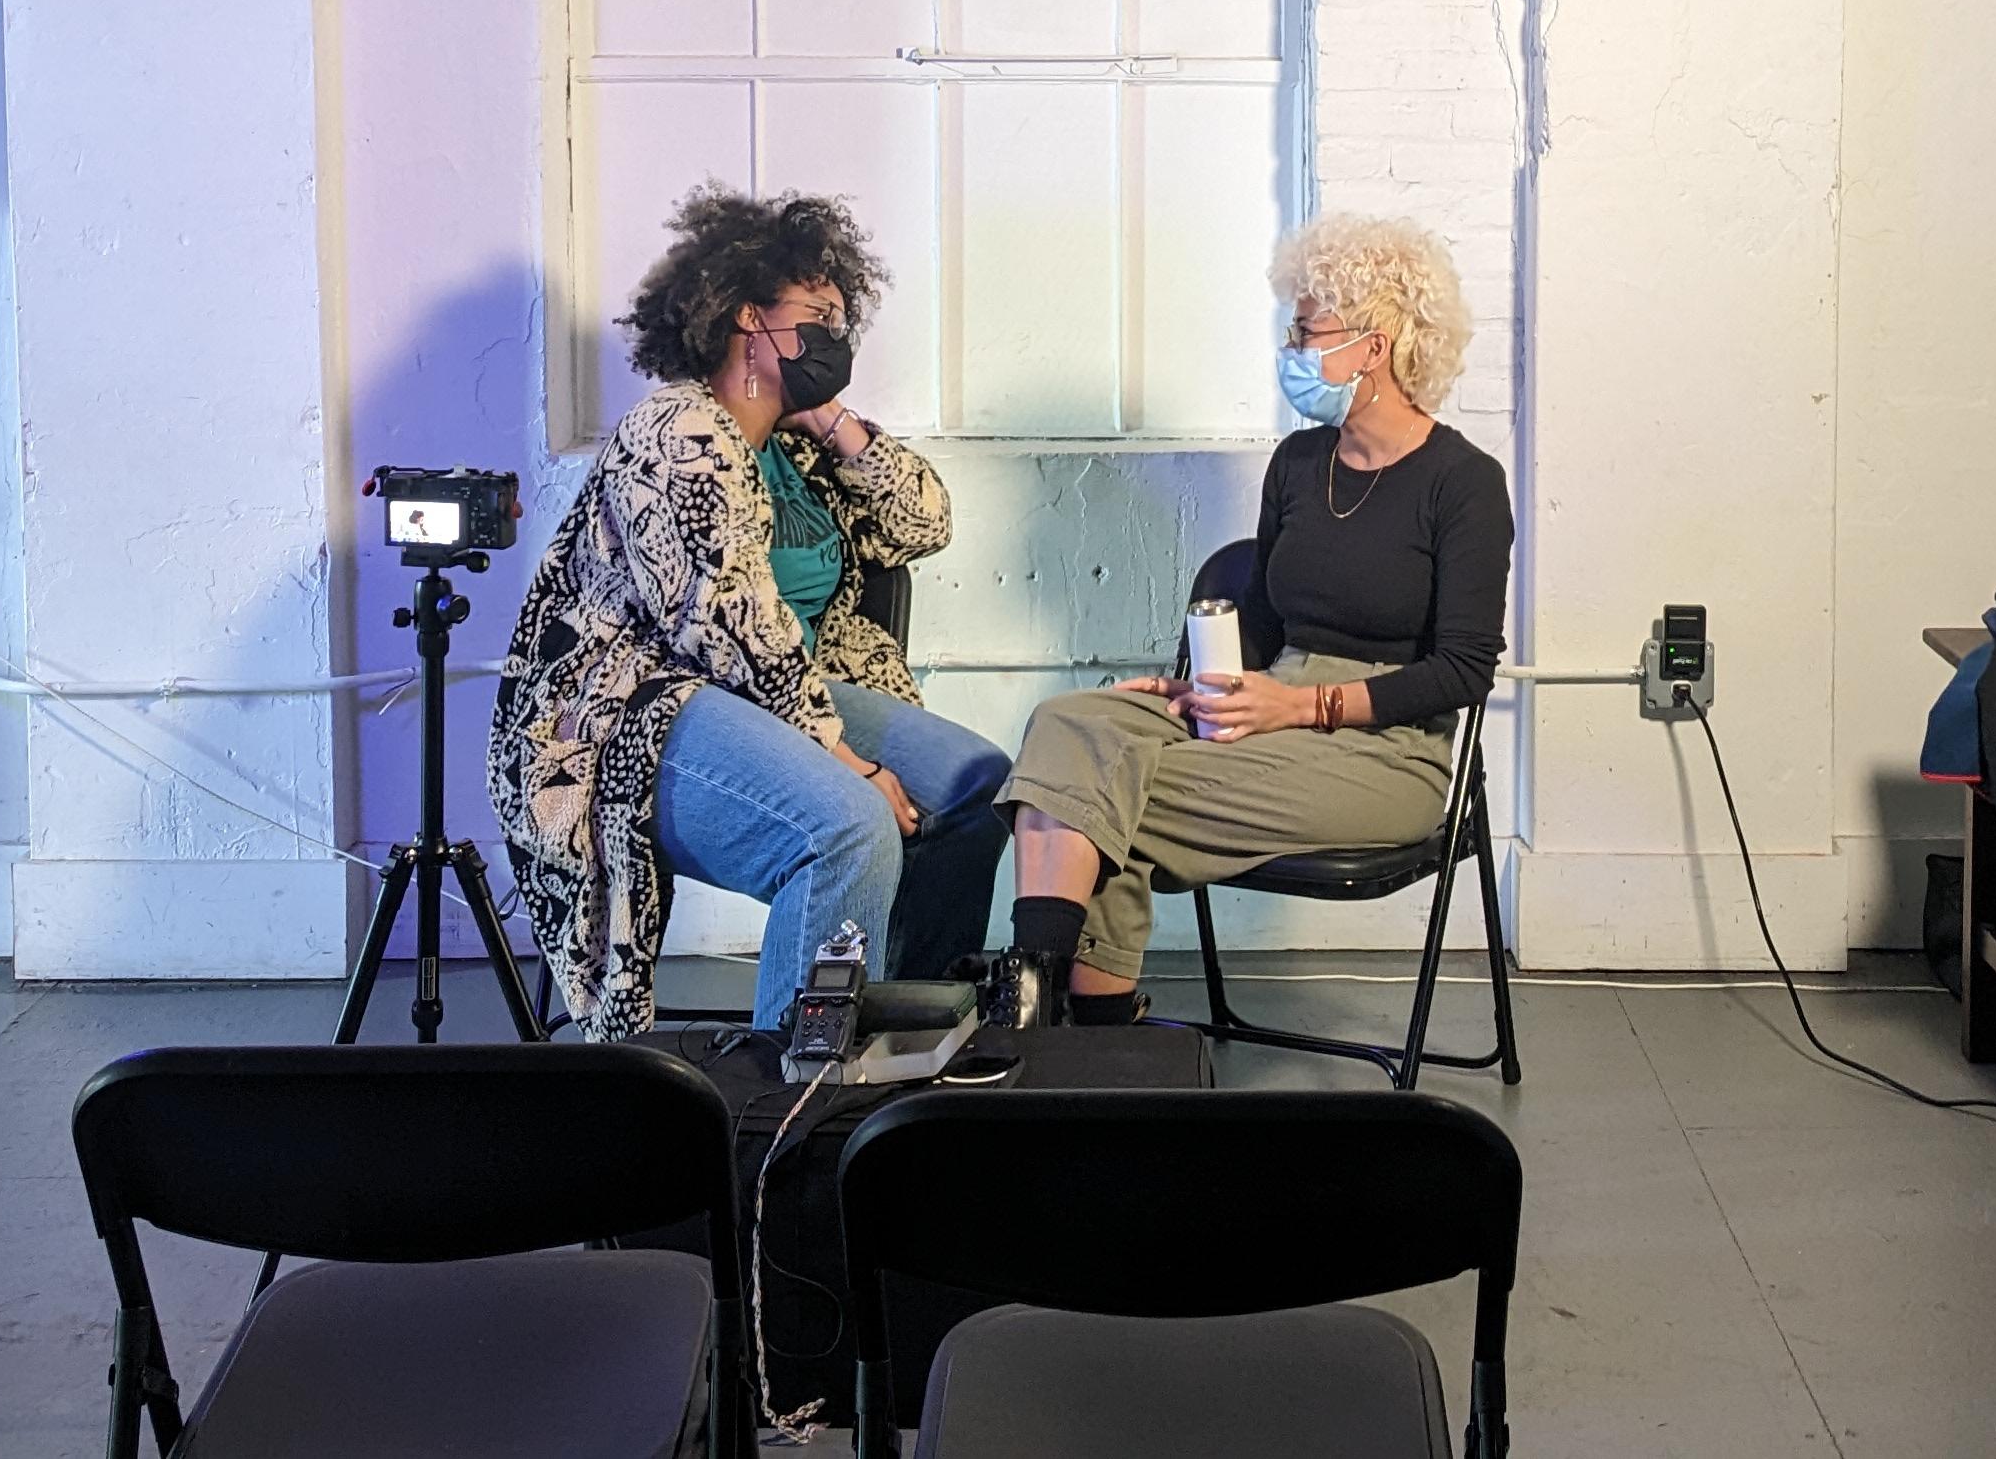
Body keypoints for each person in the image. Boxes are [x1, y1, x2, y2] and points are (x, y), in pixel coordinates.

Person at [489, 187, 1009, 1038]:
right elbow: (728, 627)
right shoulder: (678, 432)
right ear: (748, 320)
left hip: (790, 691)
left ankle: (898, 1026)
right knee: (848, 827)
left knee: (974, 785)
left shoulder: (798, 445)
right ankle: (793, 1092)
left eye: (843, 320)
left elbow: (927, 522)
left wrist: (829, 415)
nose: (834, 338)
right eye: (815, 315)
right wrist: (845, 757)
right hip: (635, 709)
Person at [990, 213, 1513, 1026]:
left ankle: (1055, 1015)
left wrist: (1303, 706)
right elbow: (1265, 622)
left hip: (1387, 749)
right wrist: (1192, 686)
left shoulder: (1464, 483)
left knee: (1110, 786)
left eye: (1307, 330)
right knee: (1069, 724)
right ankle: (1043, 990)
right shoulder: (1300, 462)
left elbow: (1464, 670)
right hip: (1273, 696)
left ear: (1374, 345)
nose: (1292, 348)